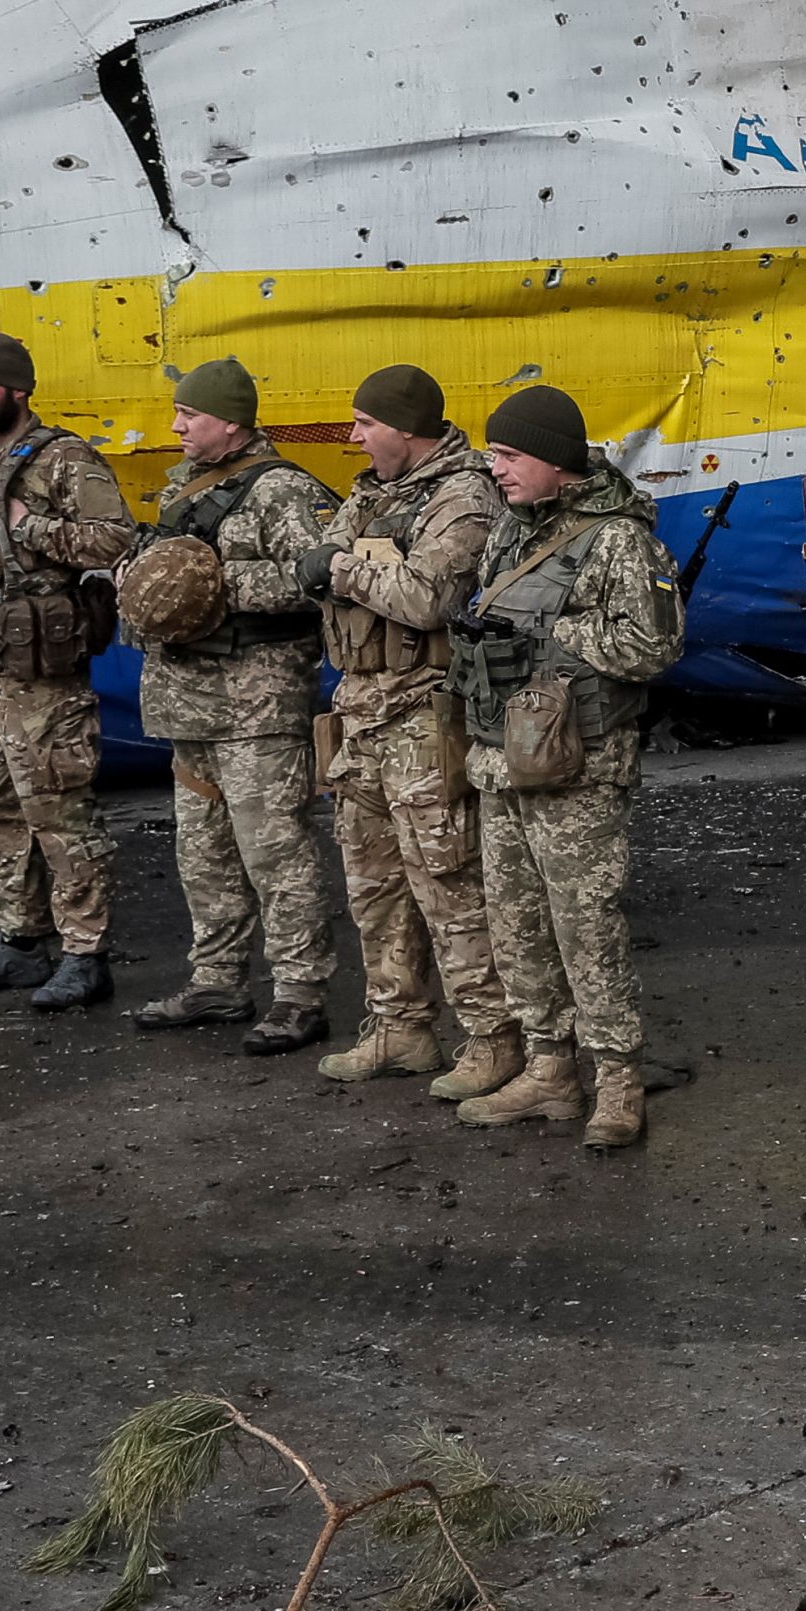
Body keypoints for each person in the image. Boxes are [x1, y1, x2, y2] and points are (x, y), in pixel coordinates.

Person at [446, 385, 688, 1149]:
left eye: (509, 455)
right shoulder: (510, 530)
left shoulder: (619, 541)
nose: (496, 468)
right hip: (502, 758)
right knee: (516, 925)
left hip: (578, 766)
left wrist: (545, 632)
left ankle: (617, 1080)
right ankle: (549, 1068)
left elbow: (653, 647)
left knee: (586, 927)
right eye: (493, 454)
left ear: (556, 461)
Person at [299, 365, 514, 1097]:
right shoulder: (370, 495)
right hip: (360, 713)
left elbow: (425, 599)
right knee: (375, 886)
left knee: (449, 884)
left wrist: (341, 569)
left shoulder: (464, 496)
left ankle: (492, 1037)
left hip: (425, 715)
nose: (354, 436)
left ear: (405, 428)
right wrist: (340, 566)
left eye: (365, 423)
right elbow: (311, 566)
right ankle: (400, 1027)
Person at [121, 360, 338, 1052]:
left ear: (232, 421)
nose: (176, 426)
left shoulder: (283, 490)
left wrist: (214, 584)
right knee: (203, 853)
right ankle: (217, 980)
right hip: (186, 702)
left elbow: (320, 577)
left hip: (256, 708)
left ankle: (300, 994)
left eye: (190, 414)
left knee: (276, 855)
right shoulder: (181, 488)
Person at [0, 332, 142, 1009]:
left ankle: (85, 953)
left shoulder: (63, 458)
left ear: (17, 390)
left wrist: (30, 527)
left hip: (38, 675)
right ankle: (19, 940)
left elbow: (115, 538)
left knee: (59, 811)